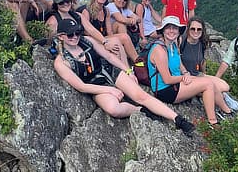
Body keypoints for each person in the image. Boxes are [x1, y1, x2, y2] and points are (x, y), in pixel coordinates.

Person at [53, 18, 196, 136]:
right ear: (61, 36)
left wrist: (128, 70)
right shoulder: (61, 62)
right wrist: (109, 90)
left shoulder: (86, 40)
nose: (75, 37)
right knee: (113, 109)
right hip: (95, 84)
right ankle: (140, 110)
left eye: (77, 32)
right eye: (70, 35)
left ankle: (177, 119)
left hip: (109, 71)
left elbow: (108, 56)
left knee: (141, 96)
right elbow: (81, 86)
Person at [148, 16, 234, 126]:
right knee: (207, 84)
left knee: (210, 83)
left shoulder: (172, 45)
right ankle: (213, 122)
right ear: (162, 30)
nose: (171, 31)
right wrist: (184, 77)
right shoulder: (159, 50)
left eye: (174, 28)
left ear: (179, 31)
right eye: (168, 28)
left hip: (176, 83)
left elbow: (179, 63)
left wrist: (185, 72)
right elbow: (167, 79)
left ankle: (227, 111)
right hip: (165, 90)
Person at [45, 0, 129, 66]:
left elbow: (91, 29)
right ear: (56, 5)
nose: (65, 4)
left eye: (67, 1)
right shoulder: (53, 21)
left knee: (115, 42)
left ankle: (127, 70)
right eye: (61, 3)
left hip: (82, 43)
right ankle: (125, 72)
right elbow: (50, 40)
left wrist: (105, 42)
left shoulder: (77, 15)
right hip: (73, 47)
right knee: (115, 45)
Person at [180, 16, 238, 111]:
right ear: (188, 29)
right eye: (193, 29)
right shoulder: (181, 42)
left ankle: (220, 94)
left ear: (202, 30)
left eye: (199, 29)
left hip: (197, 74)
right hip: (185, 77)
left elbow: (202, 61)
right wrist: (184, 72)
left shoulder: (201, 43)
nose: (196, 31)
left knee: (225, 86)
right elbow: (176, 60)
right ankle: (221, 98)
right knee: (209, 86)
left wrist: (204, 74)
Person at [79, 0, 140, 64]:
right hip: (93, 39)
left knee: (124, 37)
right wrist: (104, 41)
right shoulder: (87, 11)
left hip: (104, 37)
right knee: (121, 34)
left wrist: (113, 39)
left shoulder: (106, 10)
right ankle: (133, 63)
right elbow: (86, 31)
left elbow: (109, 31)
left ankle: (138, 62)